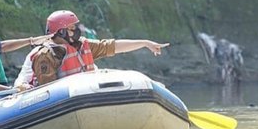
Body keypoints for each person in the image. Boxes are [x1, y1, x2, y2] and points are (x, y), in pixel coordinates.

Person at [14, 10, 169, 87]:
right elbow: (37, 85)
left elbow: (112, 46)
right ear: (60, 32)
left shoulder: (83, 44)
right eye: (71, 28)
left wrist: (145, 43)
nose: (75, 31)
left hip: (87, 94)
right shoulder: (44, 55)